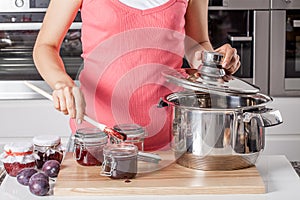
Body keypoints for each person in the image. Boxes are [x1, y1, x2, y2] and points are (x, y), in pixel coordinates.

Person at [33, 0, 240, 151]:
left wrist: (214, 61)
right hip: (96, 136)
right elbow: (45, 46)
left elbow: (196, 44)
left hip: (171, 137)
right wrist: (62, 83)